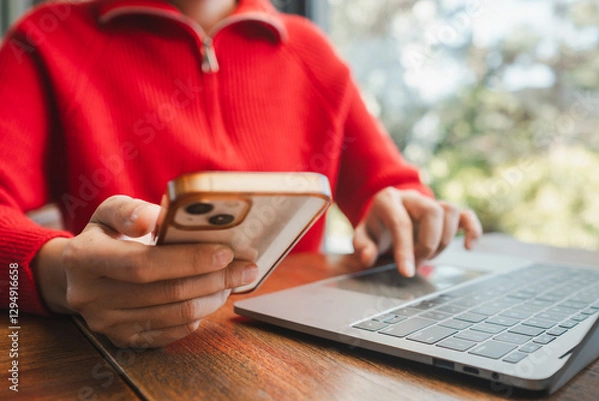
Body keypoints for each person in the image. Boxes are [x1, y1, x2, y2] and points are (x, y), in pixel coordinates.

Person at [0, 0, 482, 348]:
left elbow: (389, 184)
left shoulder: (309, 50)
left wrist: (400, 208)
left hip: (295, 353)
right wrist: (55, 274)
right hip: (126, 359)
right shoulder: (48, 38)